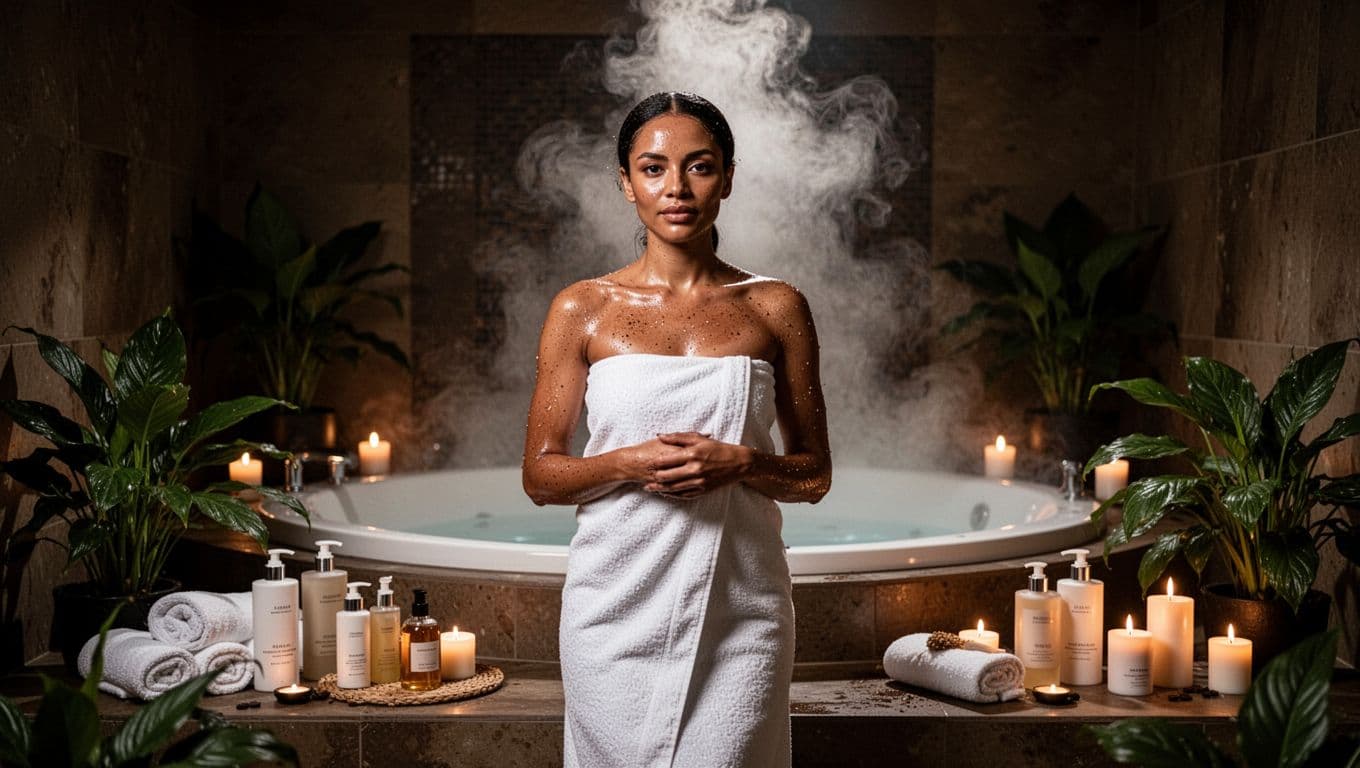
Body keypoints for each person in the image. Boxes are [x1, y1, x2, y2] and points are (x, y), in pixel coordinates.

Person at [522, 91, 832, 768]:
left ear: (727, 176)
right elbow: (541, 476)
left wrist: (743, 463)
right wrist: (628, 463)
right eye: (654, 168)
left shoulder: (775, 306)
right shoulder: (583, 309)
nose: (677, 188)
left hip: (740, 605)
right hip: (614, 608)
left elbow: (814, 474)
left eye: (700, 166)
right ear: (625, 181)